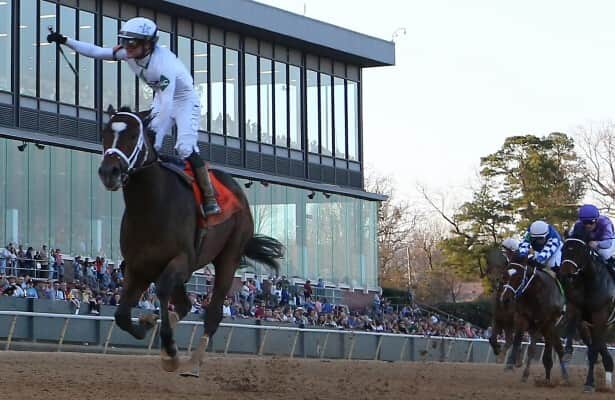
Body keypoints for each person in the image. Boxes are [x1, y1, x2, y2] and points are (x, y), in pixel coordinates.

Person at [47, 17, 220, 217]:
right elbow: (96, 51)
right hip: (162, 98)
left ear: (148, 44)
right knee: (147, 145)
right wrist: (65, 40)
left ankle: (209, 198)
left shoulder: (164, 64)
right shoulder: (129, 52)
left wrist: (157, 135)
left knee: (183, 148)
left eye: (132, 42)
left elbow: (167, 105)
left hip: (183, 101)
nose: (126, 47)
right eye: (124, 41)